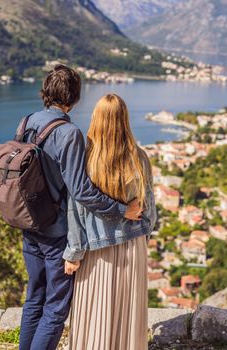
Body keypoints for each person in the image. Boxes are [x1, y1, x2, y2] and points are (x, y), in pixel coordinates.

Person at [18, 66, 143, 350]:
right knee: (55, 307)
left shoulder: (25, 123)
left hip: (28, 224)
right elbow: (81, 192)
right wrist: (122, 209)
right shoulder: (69, 133)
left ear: (45, 92)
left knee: (34, 297)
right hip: (55, 231)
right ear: (74, 97)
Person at [63, 94, 157, 350]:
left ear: (97, 120)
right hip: (132, 244)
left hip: (96, 248)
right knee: (128, 311)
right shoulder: (140, 158)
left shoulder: (86, 159)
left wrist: (73, 252)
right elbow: (149, 209)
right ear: (124, 120)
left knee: (96, 310)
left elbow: (76, 210)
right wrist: (142, 236)